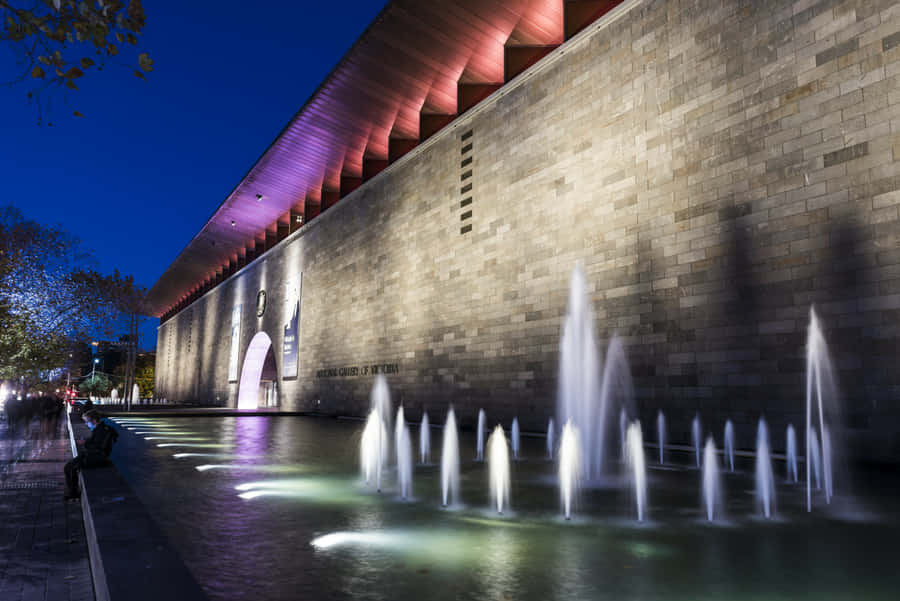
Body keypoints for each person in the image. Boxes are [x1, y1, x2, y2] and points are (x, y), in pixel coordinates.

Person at [64, 409, 118, 500]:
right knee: (68, 467)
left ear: (94, 420)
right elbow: (95, 443)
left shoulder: (101, 431)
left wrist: (85, 444)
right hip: (93, 455)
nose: (86, 424)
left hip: (97, 457)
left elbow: (99, 447)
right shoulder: (100, 428)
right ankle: (72, 491)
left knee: (71, 467)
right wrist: (86, 442)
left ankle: (73, 493)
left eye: (87, 421)